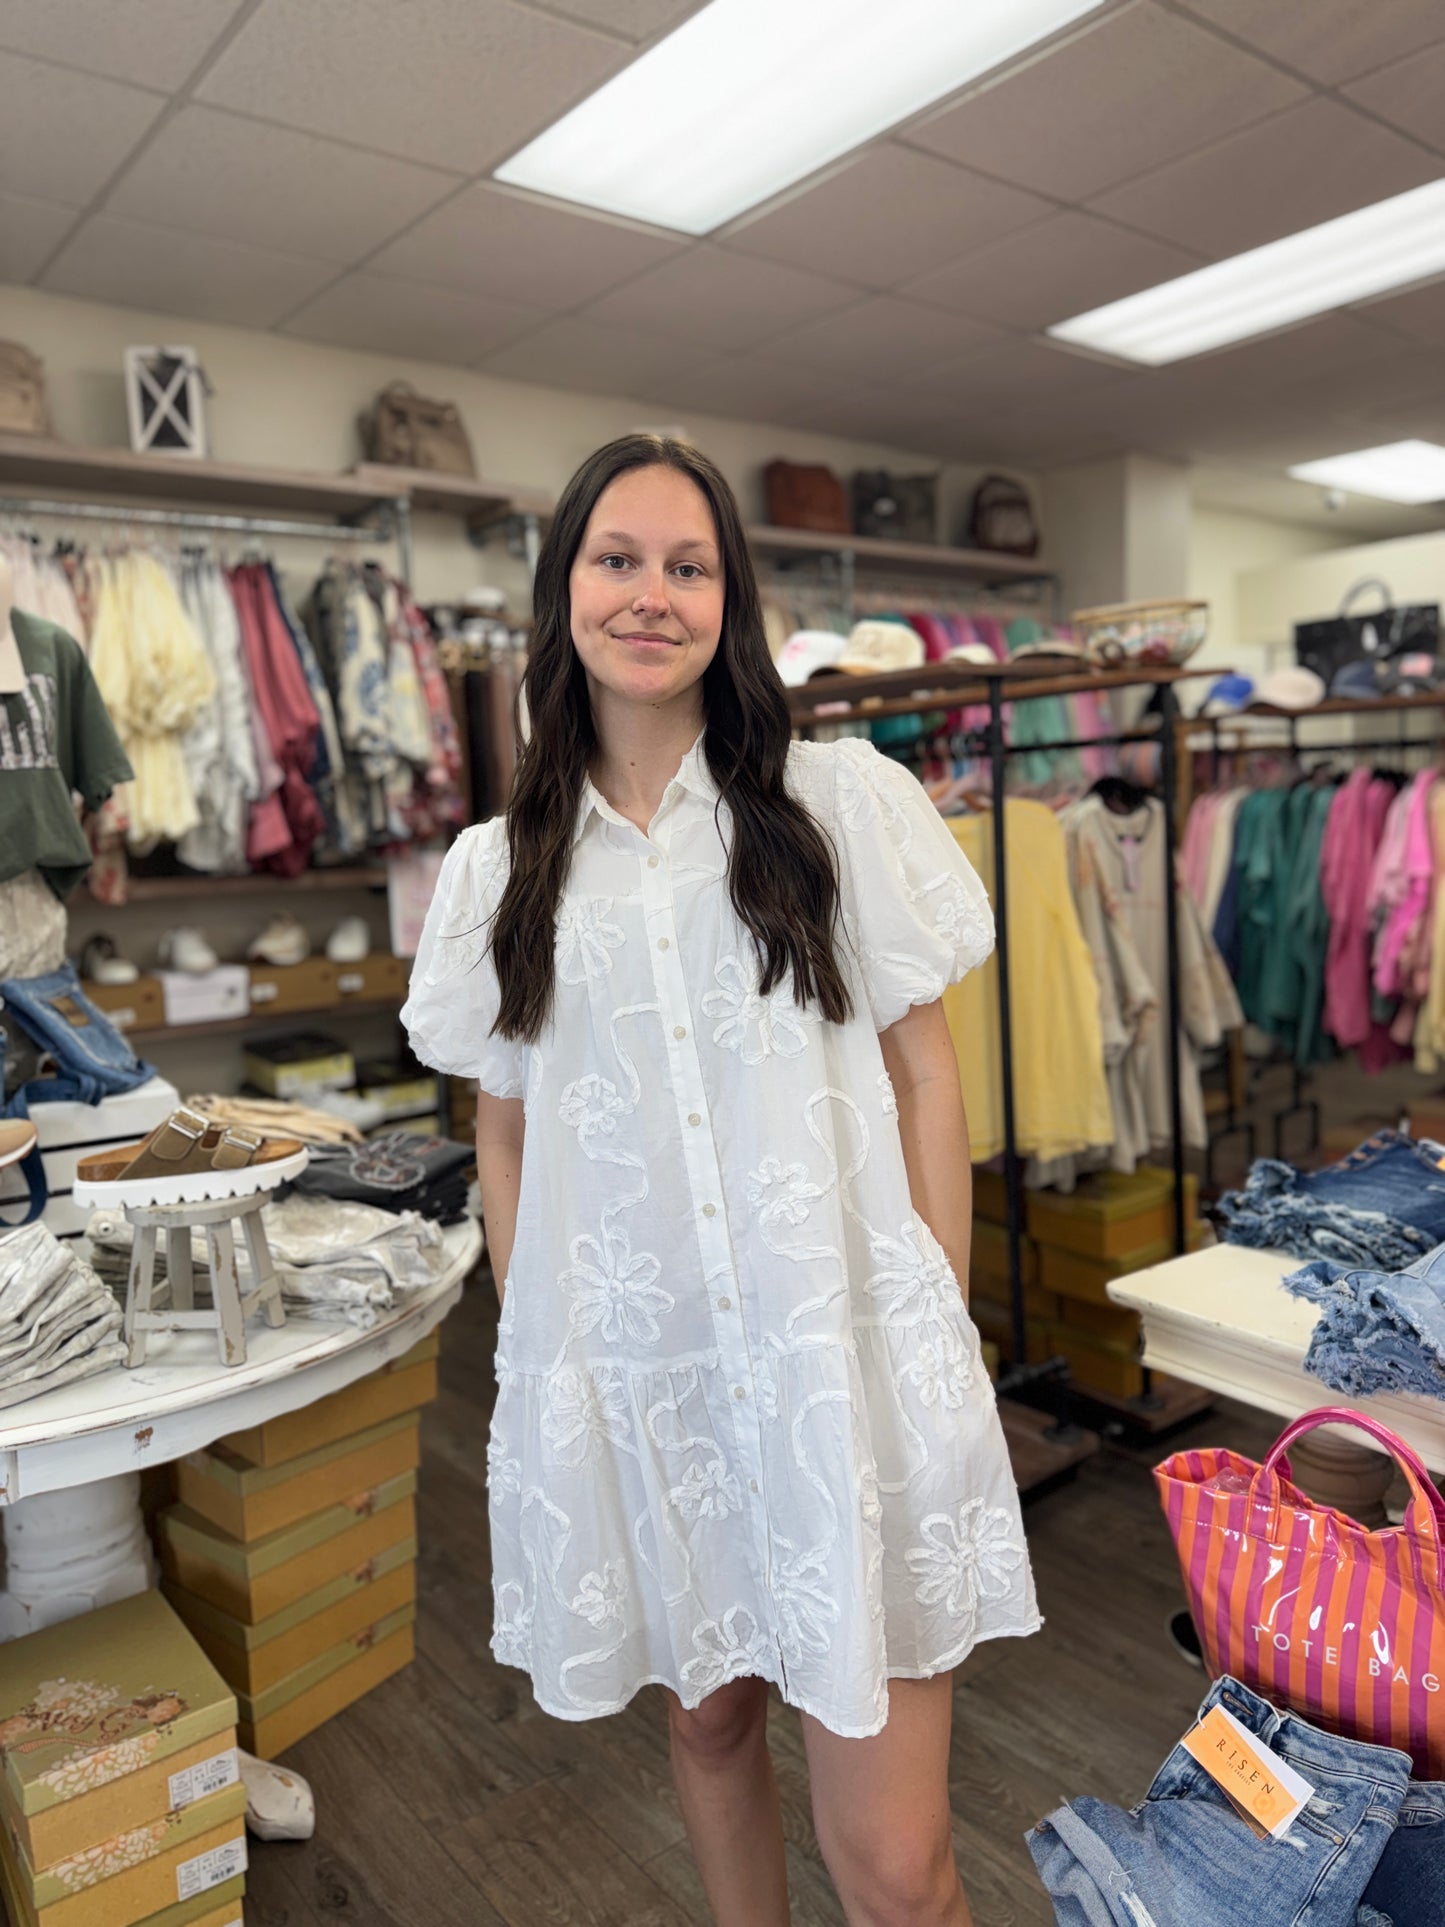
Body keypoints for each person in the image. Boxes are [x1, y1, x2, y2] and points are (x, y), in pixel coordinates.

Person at [402, 434, 1039, 1925]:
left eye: (688, 565)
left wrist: (932, 1307)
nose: (651, 593)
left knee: (892, 1861)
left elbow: (924, 1067)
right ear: (562, 591)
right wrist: (548, 1334)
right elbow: (504, 1119)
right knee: (708, 1719)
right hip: (654, 1374)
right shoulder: (502, 873)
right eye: (616, 559)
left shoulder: (831, 805)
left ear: (727, 599)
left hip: (842, 1367)